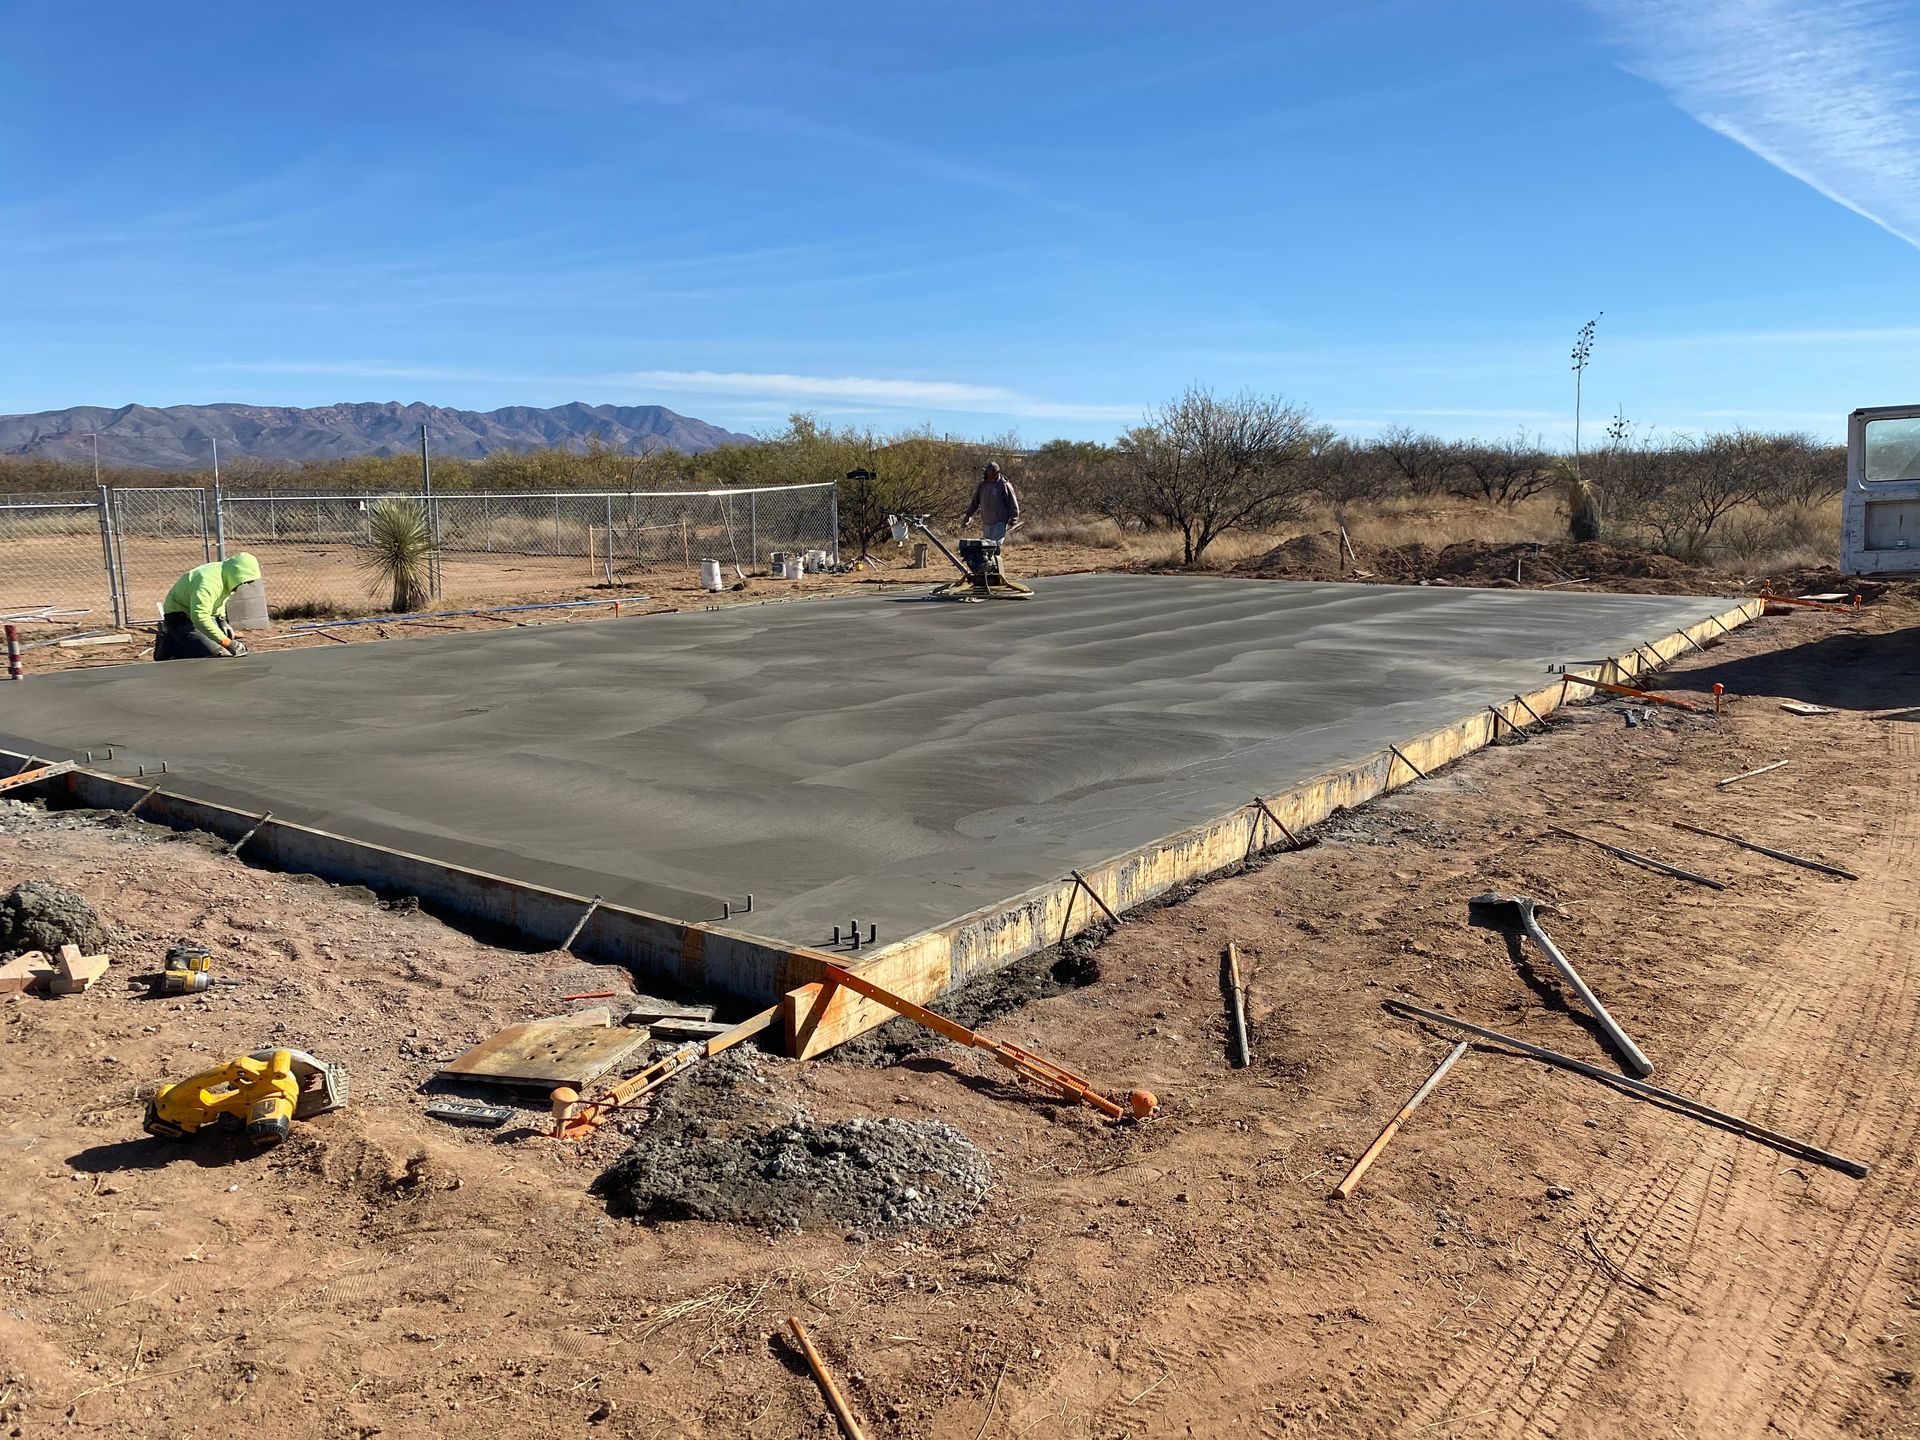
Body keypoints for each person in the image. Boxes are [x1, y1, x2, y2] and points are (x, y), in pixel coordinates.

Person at [153, 552, 262, 661]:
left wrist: (221, 620)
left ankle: (181, 640)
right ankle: (171, 644)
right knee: (218, 653)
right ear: (237, 573)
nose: (244, 584)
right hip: (181, 618)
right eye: (245, 581)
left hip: (201, 617)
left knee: (227, 650)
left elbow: (218, 601)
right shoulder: (208, 582)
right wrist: (226, 642)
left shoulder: (225, 575)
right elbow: (199, 617)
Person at [960, 460, 1020, 541]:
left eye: (988, 471)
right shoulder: (983, 485)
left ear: (995, 472)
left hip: (1000, 522)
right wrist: (968, 516)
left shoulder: (1004, 485)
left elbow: (1012, 503)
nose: (986, 473)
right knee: (987, 547)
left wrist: (1014, 519)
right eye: (986, 471)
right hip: (986, 522)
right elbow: (975, 503)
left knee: (995, 546)